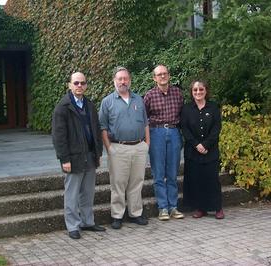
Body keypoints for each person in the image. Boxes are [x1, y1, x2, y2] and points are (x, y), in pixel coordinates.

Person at [52, 72, 106, 239]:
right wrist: (64, 159)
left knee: (88, 192)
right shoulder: (63, 107)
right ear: (70, 85)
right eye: (76, 83)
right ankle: (73, 226)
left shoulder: (89, 105)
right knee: (72, 193)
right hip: (73, 158)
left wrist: (98, 153)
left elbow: (96, 130)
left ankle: (87, 222)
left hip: (90, 155)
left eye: (82, 83)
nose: (79, 86)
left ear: (86, 85)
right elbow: (58, 136)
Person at [99, 66, 150, 229]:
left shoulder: (138, 100)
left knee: (137, 182)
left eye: (125, 78)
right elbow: (103, 128)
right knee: (118, 183)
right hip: (118, 148)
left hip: (139, 147)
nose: (123, 81)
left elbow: (146, 123)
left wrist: (146, 144)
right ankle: (117, 215)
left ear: (130, 80)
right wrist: (109, 148)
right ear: (114, 81)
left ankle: (135, 213)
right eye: (120, 79)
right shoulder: (107, 102)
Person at [143, 65, 185, 221]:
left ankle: (173, 207)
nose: (162, 76)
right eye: (159, 74)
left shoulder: (177, 93)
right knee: (159, 173)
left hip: (174, 132)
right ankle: (163, 208)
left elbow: (182, 114)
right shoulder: (149, 95)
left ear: (169, 75)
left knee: (173, 173)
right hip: (157, 133)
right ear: (154, 78)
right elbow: (144, 118)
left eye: (165, 74)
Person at [180, 80, 224, 219]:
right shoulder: (186, 109)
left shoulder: (213, 108)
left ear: (206, 91)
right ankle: (201, 208)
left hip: (210, 151)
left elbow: (216, 129)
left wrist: (205, 145)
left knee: (212, 180)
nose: (198, 92)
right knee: (197, 180)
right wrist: (196, 144)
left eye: (201, 89)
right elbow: (185, 129)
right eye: (195, 90)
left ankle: (217, 208)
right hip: (193, 151)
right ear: (191, 92)